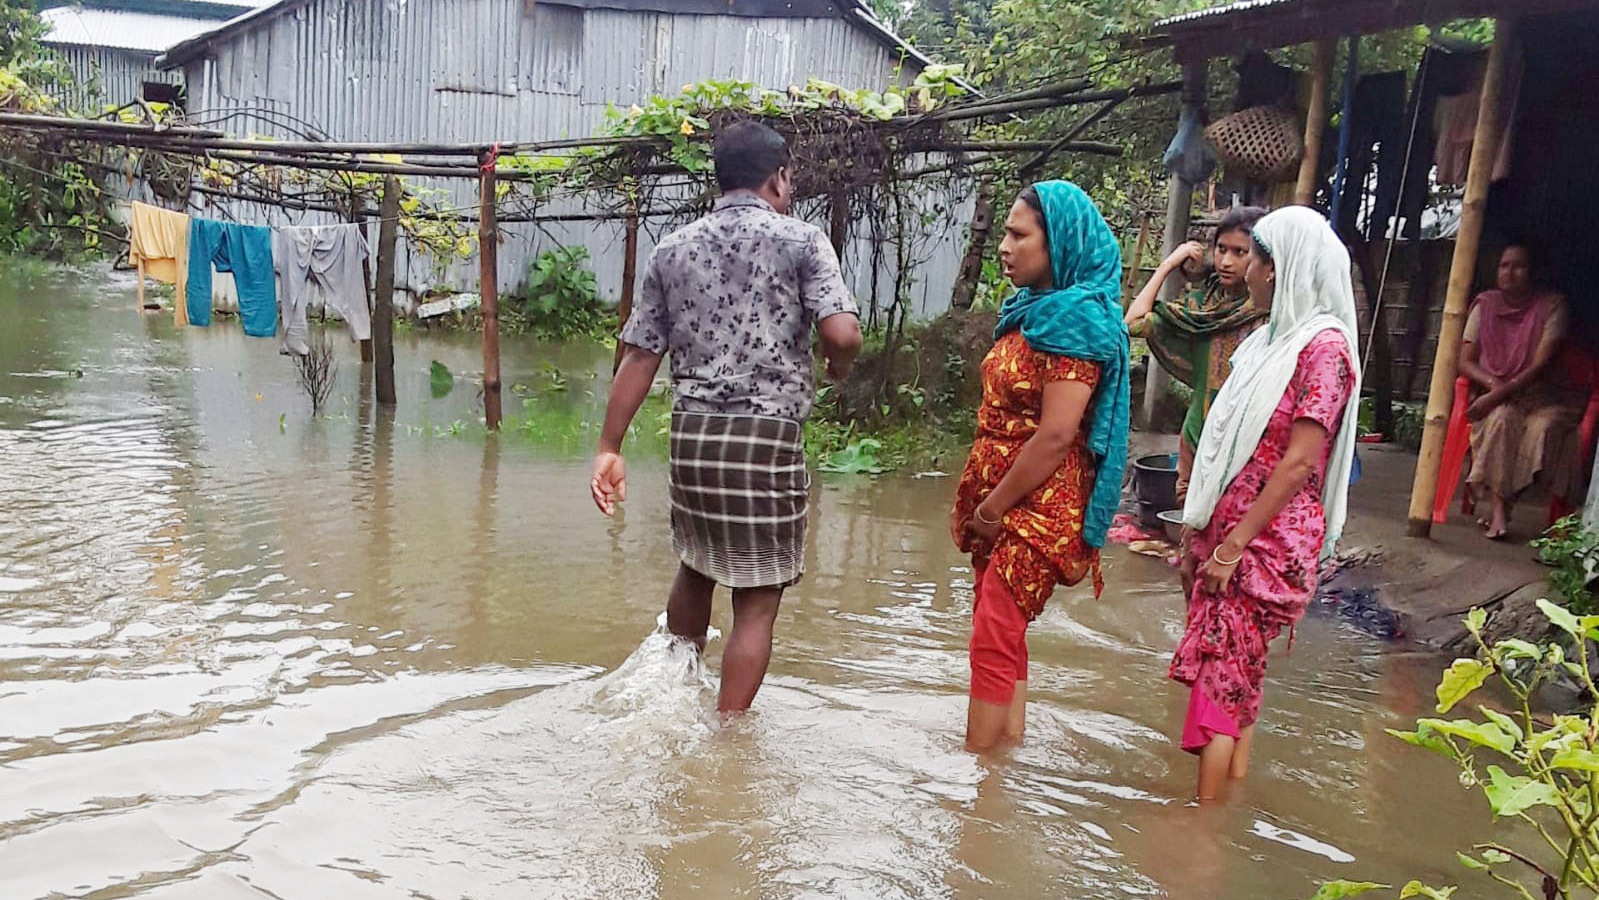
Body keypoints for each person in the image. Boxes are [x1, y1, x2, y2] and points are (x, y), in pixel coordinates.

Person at [590, 120, 863, 716]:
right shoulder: (802, 241)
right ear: (779, 178)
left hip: (693, 434)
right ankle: (726, 739)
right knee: (757, 598)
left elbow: (640, 354)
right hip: (765, 438)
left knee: (697, 563)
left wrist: (609, 446)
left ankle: (670, 696)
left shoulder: (673, 247)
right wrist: (839, 363)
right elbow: (841, 331)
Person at [1171, 206, 1362, 802]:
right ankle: (1226, 810)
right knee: (1237, 675)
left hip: (1266, 543)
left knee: (1220, 677)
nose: (1242, 267)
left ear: (1280, 270)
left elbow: (1300, 460)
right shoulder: (1266, 342)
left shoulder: (1323, 351)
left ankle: (1198, 837)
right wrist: (1199, 529)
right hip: (1228, 532)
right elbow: (1224, 443)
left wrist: (1231, 547)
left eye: (1252, 256)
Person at [949, 180, 1131, 753]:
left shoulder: (1076, 323)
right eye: (1004, 232)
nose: (1004, 246)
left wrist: (991, 507)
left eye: (1017, 235)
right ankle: (1007, 756)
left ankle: (978, 784)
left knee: (993, 632)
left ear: (1060, 247)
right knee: (1000, 630)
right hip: (1002, 497)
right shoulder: (1030, 313)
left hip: (1039, 505)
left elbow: (1055, 436)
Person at [1123, 207, 1270, 504]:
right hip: (1196, 433)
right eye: (1221, 249)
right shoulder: (1199, 310)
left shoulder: (1269, 318)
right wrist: (1168, 264)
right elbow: (1133, 324)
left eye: (1240, 252)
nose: (1226, 261)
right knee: (1188, 520)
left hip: (1246, 442)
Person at [1460, 243, 1581, 540]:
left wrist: (1496, 394)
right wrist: (1493, 388)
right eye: (1504, 265)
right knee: (1501, 421)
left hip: (1543, 396)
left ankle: (1548, 519)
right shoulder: (1484, 306)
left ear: (1534, 271)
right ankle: (1499, 511)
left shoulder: (1552, 306)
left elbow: (1541, 364)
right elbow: (1464, 361)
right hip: (1495, 397)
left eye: (1519, 266)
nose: (1509, 273)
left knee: (1544, 430)